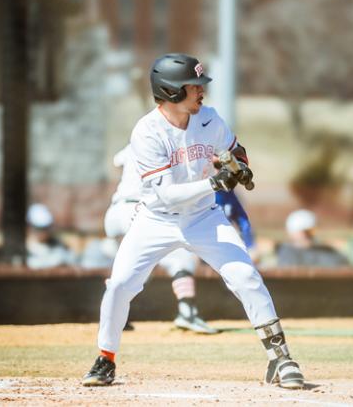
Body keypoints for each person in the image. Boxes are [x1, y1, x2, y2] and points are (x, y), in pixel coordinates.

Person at [82, 53, 304, 389]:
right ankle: (105, 358)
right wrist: (215, 183)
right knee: (120, 285)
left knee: (246, 276)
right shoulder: (147, 132)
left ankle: (281, 359)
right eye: (194, 86)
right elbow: (166, 194)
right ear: (171, 91)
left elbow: (234, 148)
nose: (202, 91)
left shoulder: (209, 119)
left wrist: (238, 164)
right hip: (155, 219)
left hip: (204, 217)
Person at [101, 143, 217, 334]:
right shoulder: (173, 146)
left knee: (134, 266)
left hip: (115, 210)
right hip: (138, 210)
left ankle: (113, 315)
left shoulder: (137, 142)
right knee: (181, 256)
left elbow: (117, 162)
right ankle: (187, 312)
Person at [277, 209, 348, 268]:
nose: (306, 235)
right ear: (291, 233)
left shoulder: (327, 253)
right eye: (302, 231)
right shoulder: (286, 253)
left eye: (310, 231)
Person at [26, 203, 77, 269]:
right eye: (39, 229)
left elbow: (72, 260)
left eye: (46, 228)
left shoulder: (59, 246)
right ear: (29, 227)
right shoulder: (24, 249)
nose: (43, 232)